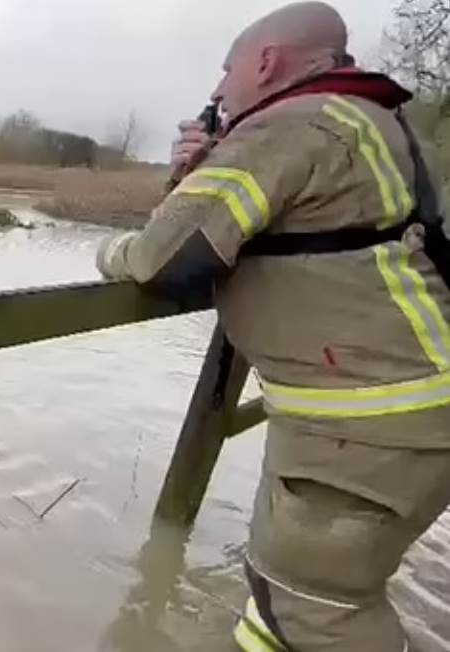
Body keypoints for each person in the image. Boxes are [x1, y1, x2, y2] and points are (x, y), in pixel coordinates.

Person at [94, 2, 450, 651]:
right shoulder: (374, 121)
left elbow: (162, 256)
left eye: (226, 74)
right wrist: (206, 166)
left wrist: (108, 254)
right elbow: (282, 233)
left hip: (367, 425)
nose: (220, 92)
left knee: (318, 608)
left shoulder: (291, 124)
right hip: (397, 415)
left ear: (265, 62)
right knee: (282, 596)